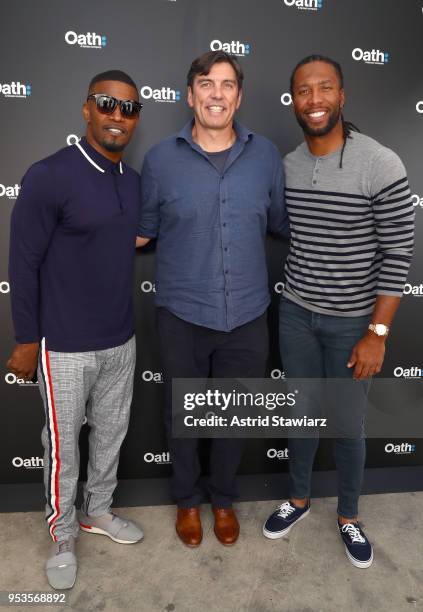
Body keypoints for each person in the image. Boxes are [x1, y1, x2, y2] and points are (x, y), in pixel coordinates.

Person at [263, 55, 415, 568]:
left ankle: (349, 517)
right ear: (294, 101)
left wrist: (377, 332)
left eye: (324, 88)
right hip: (296, 314)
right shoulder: (287, 165)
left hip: (353, 322)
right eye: (304, 91)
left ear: (342, 96)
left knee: (347, 426)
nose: (314, 99)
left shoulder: (380, 162)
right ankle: (300, 500)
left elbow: (398, 252)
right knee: (302, 416)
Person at [137, 50, 288, 547]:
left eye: (226, 85)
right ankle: (186, 502)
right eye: (206, 83)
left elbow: (281, 224)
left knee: (232, 416)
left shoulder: (266, 156)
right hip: (182, 312)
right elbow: (141, 233)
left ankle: (222, 500)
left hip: (247, 313)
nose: (217, 94)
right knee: (183, 415)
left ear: (239, 96)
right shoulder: (160, 159)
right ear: (190, 94)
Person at [7, 70, 144, 590]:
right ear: (87, 109)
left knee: (110, 437)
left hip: (121, 339)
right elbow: (23, 262)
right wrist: (25, 340)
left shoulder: (132, 181)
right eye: (108, 104)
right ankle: (62, 535)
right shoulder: (49, 174)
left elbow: (130, 237)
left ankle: (98, 511)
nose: (118, 114)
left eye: (129, 108)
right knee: (64, 448)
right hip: (62, 344)